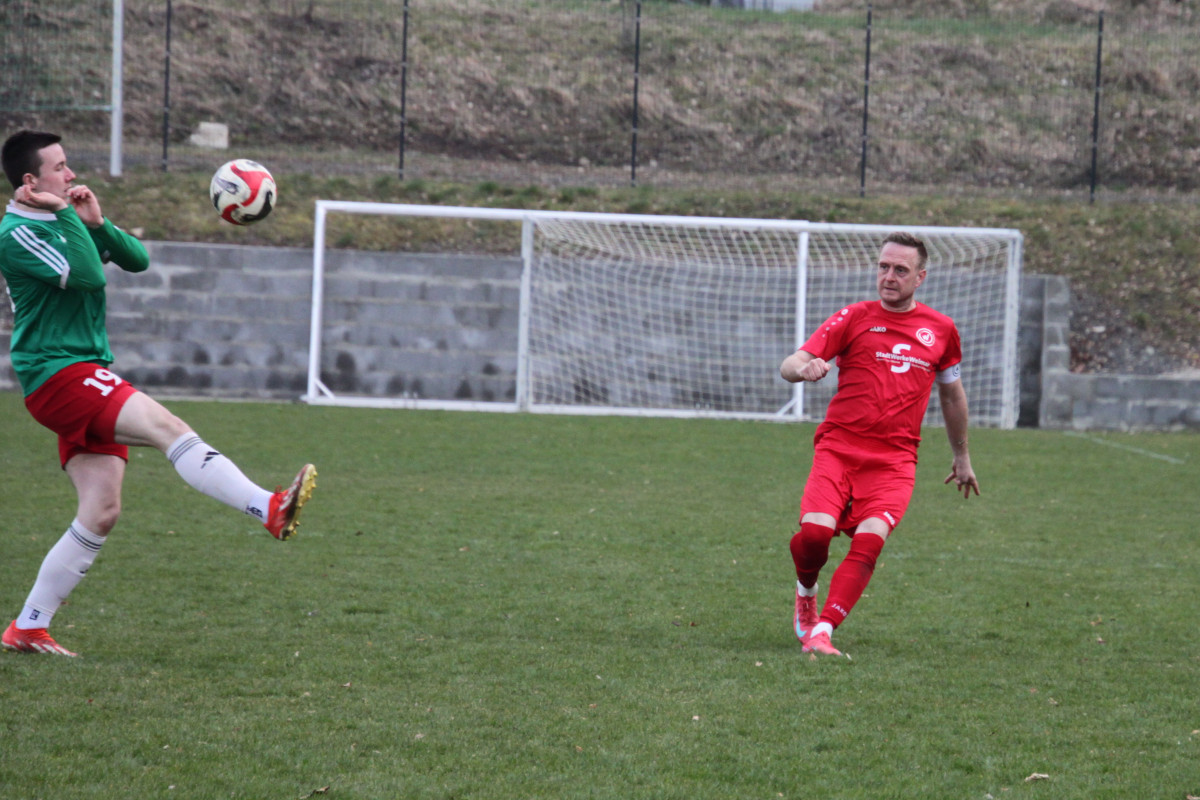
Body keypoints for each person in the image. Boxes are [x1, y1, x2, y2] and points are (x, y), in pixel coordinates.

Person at [0, 130, 317, 657]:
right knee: (171, 431)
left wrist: (97, 223)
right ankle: (268, 508)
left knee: (100, 511)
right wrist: (67, 217)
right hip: (59, 374)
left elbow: (137, 260)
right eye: (60, 168)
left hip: (77, 371)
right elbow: (86, 277)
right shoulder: (15, 234)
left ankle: (28, 626)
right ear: (30, 181)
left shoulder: (65, 220)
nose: (71, 175)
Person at [780, 231, 979, 657]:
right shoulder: (853, 316)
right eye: (883, 267)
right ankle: (806, 591)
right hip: (839, 448)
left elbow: (951, 395)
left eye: (900, 270)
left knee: (870, 540)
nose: (889, 276)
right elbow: (789, 363)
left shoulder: (942, 331)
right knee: (815, 535)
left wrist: (961, 456)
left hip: (894, 460)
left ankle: (822, 631)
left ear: (920, 277)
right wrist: (806, 368)